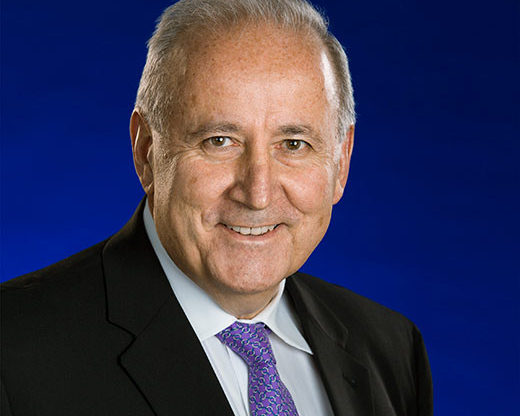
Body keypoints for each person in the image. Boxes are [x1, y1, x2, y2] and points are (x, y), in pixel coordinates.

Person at [1, 0, 433, 415]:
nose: (257, 193)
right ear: (146, 151)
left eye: (293, 144)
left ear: (341, 161)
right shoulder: (14, 351)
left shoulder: (391, 349)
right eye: (219, 141)